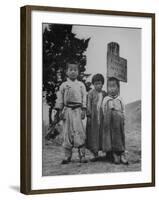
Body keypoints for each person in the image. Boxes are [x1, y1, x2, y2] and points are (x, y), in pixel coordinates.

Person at [55, 61, 87, 164]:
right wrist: (60, 111)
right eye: (71, 70)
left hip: (77, 111)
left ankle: (82, 155)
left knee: (79, 132)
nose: (73, 72)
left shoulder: (81, 85)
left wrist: (84, 110)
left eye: (75, 70)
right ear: (66, 72)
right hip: (67, 111)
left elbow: (84, 98)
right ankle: (67, 156)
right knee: (67, 133)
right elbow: (60, 99)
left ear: (78, 72)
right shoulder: (64, 85)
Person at [102, 77, 128, 164]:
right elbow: (103, 110)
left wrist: (123, 118)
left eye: (114, 86)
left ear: (118, 88)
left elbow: (123, 110)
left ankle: (122, 154)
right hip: (109, 123)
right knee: (111, 138)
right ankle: (115, 155)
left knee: (120, 137)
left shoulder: (120, 99)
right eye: (109, 86)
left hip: (118, 123)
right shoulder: (106, 99)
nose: (112, 89)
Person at [86, 74, 107, 161]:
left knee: (102, 133)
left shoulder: (104, 93)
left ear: (102, 84)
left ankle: (103, 151)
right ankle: (94, 153)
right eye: (96, 84)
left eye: (100, 83)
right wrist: (89, 115)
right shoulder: (91, 93)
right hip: (93, 117)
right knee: (92, 135)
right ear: (93, 84)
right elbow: (88, 104)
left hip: (102, 117)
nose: (98, 85)